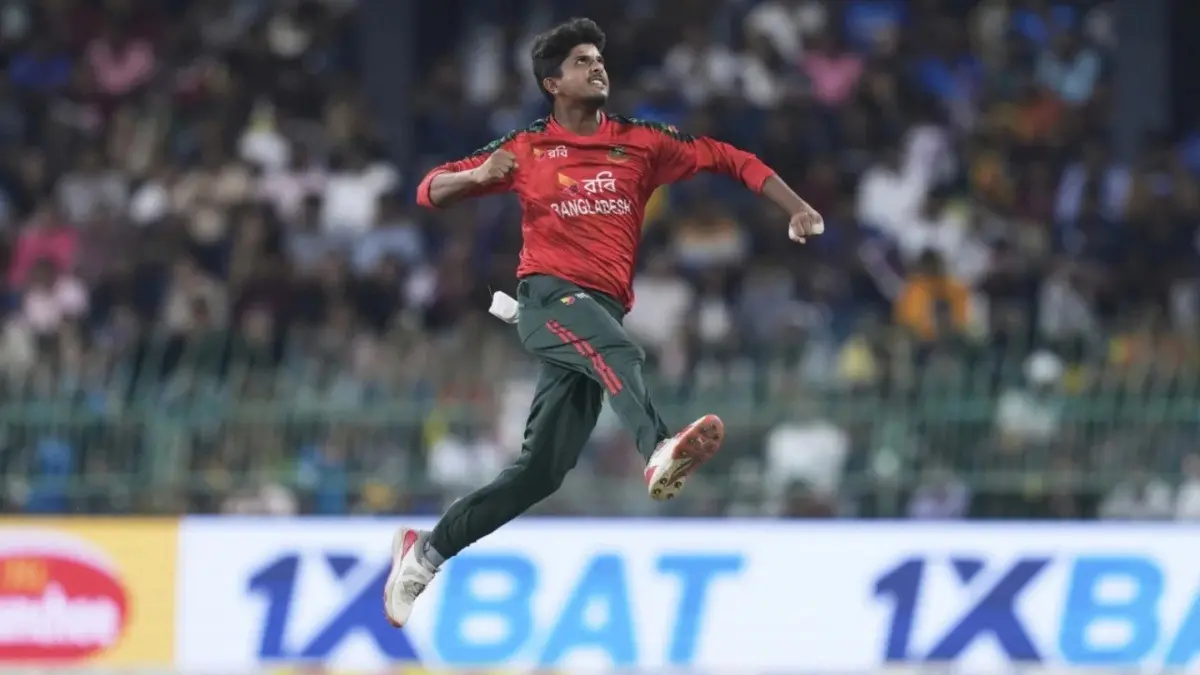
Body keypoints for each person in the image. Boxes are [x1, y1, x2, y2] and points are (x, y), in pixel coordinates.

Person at [384, 17, 824, 627]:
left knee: (540, 473)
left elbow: (729, 157)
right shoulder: (525, 146)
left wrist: (796, 207)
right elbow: (428, 190)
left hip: (598, 316)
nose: (597, 67)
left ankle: (423, 555)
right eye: (582, 62)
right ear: (552, 82)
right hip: (546, 300)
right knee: (622, 351)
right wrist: (474, 177)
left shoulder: (641, 142)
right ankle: (658, 448)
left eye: (599, 59)